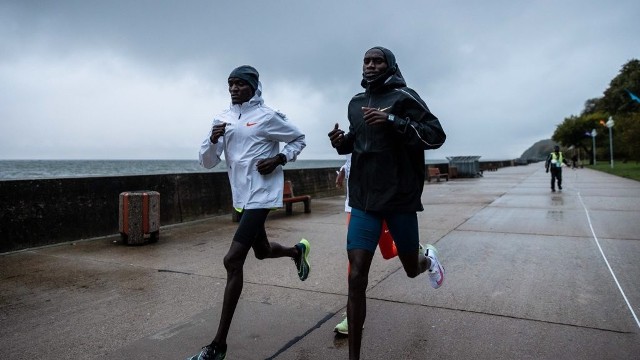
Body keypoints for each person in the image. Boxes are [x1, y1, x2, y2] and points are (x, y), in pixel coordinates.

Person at [327, 46, 447, 359]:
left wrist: (393, 120)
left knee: (409, 269)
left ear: (389, 65)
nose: (370, 65)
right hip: (364, 200)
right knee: (356, 276)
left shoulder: (406, 97)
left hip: (399, 201)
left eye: (377, 60)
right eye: (366, 60)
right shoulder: (356, 102)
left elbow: (436, 135)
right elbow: (357, 140)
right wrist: (341, 143)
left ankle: (427, 258)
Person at [192, 65, 309, 360]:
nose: (233, 89)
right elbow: (207, 162)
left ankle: (218, 346)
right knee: (262, 251)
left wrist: (279, 158)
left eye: (240, 84)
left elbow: (299, 138)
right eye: (230, 84)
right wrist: (213, 139)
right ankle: (297, 252)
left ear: (253, 87)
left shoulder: (267, 116)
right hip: (242, 196)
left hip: (262, 194)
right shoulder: (222, 118)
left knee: (232, 260)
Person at [334, 154, 398, 335]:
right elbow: (353, 156)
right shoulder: (353, 128)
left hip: (379, 201)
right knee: (354, 263)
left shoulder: (382, 125)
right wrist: (343, 170)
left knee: (388, 252)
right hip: (354, 204)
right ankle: (352, 318)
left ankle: (414, 249)